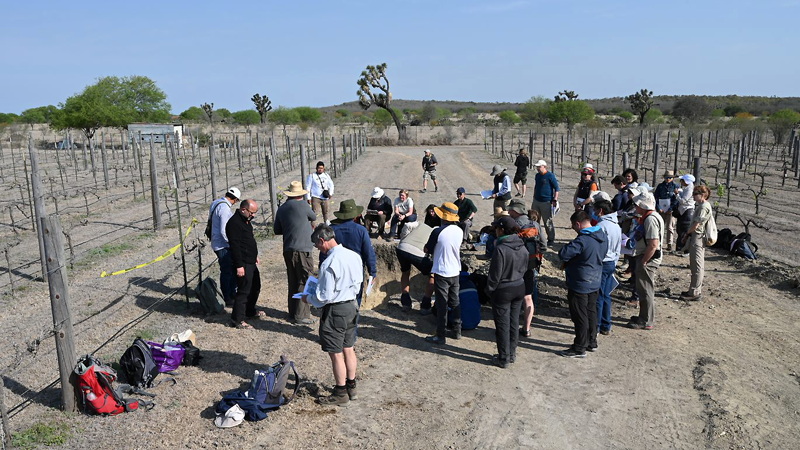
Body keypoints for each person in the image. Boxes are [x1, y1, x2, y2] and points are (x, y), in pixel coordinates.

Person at [302, 224, 363, 406]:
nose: (318, 249)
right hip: (352, 306)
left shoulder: (329, 263)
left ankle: (340, 392)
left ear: (322, 240)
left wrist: (308, 299)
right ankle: (352, 386)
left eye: (317, 245)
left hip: (336, 310)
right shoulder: (354, 256)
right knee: (349, 348)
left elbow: (324, 296)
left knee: (336, 353)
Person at [557, 210, 608, 358]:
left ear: (578, 224)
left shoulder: (582, 240)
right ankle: (592, 341)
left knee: (580, 315)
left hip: (580, 283)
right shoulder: (602, 236)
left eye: (573, 226)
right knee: (591, 311)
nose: (573, 229)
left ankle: (579, 347)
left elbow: (564, 254)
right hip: (595, 280)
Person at [485, 216, 529, 368]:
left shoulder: (501, 249)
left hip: (504, 290)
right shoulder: (522, 245)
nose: (495, 231)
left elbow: (494, 276)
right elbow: (525, 267)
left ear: (502, 230)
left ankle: (503, 358)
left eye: (497, 228)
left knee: (503, 324)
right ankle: (512, 353)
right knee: (514, 321)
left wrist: (489, 291)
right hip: (519, 286)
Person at [274, 181, 317, 325]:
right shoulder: (304, 205)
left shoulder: (282, 208)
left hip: (288, 249)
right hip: (303, 249)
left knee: (292, 280)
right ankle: (302, 316)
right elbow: (314, 217)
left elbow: (277, 230)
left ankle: (292, 313)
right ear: (300, 194)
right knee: (304, 281)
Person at [324, 199, 377, 307]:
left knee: (335, 296)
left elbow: (325, 250)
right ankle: (353, 321)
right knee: (355, 297)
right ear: (355, 216)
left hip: (336, 267)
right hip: (356, 268)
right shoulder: (361, 230)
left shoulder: (332, 229)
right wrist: (372, 272)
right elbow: (369, 253)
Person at [423, 202, 463, 345]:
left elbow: (427, 248)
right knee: (455, 301)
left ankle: (441, 334)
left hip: (441, 271)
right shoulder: (460, 230)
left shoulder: (437, 231)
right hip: (455, 271)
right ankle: (457, 330)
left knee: (441, 304)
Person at [627, 192, 664, 330]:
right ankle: (643, 316)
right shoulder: (651, 217)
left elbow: (653, 244)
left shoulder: (650, 220)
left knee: (646, 290)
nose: (635, 207)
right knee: (644, 289)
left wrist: (644, 260)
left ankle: (646, 320)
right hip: (647, 257)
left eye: (637, 205)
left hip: (648, 259)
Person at [226, 199, 263, 329]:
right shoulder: (234, 224)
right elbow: (235, 246)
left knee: (255, 286)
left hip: (251, 260)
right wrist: (239, 265)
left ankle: (249, 311)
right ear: (243, 209)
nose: (253, 215)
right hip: (243, 263)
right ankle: (237, 319)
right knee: (243, 291)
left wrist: (255, 255)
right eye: (251, 213)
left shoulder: (246, 221)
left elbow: (248, 241)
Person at [679, 185, 713, 301]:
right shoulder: (702, 206)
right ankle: (693, 290)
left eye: (695, 194)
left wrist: (687, 233)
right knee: (695, 264)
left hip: (698, 237)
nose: (693, 196)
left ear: (702, 195)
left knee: (697, 265)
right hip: (696, 236)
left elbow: (697, 224)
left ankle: (695, 292)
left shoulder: (703, 207)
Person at [593, 199, 621, 335]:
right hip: (611, 263)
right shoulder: (616, 226)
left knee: (599, 296)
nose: (593, 212)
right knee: (606, 295)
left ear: (600, 211)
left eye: (595, 210)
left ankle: (596, 326)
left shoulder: (601, 226)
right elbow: (618, 247)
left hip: (602, 263)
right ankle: (606, 323)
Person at [209, 187, 240, 306]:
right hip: (223, 245)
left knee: (229, 270)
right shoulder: (225, 209)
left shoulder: (216, 203)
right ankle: (228, 296)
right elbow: (224, 230)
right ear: (235, 199)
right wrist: (232, 244)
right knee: (227, 271)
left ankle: (231, 292)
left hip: (216, 241)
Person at [395, 223, 436, 313]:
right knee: (433, 275)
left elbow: (407, 225)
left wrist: (403, 239)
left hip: (402, 248)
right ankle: (425, 306)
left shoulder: (420, 224)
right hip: (418, 252)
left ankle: (406, 303)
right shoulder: (436, 232)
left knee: (405, 272)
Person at [530, 160, 560, 248]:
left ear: (544, 166)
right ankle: (536, 236)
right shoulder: (537, 175)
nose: (537, 168)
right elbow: (536, 186)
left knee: (547, 221)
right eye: (537, 167)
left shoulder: (550, 176)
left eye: (539, 167)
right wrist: (534, 195)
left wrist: (555, 199)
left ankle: (551, 239)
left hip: (546, 202)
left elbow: (557, 188)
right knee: (534, 219)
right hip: (536, 200)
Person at [654, 170, 679, 251]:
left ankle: (669, 243)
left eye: (670, 177)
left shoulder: (675, 187)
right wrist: (658, 208)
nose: (668, 179)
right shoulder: (660, 186)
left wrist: (671, 208)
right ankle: (659, 242)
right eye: (666, 177)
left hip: (670, 210)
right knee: (660, 227)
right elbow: (656, 198)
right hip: (661, 209)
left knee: (670, 227)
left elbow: (676, 199)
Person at [305, 161, 334, 225]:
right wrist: (308, 197)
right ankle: (313, 226)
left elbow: (331, 184)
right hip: (315, 197)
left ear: (324, 169)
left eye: (322, 168)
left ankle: (326, 224)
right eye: (319, 168)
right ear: (316, 168)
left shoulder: (326, 175)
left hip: (324, 197)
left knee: (325, 212)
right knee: (314, 213)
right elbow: (308, 187)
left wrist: (331, 193)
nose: (320, 169)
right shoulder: (312, 176)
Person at [674, 174, 696, 255]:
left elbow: (683, 201)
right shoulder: (688, 188)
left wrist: (676, 194)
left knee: (683, 231)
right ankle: (680, 249)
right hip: (684, 211)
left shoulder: (690, 189)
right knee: (680, 230)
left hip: (687, 212)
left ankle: (684, 250)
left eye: (682, 180)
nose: (681, 182)